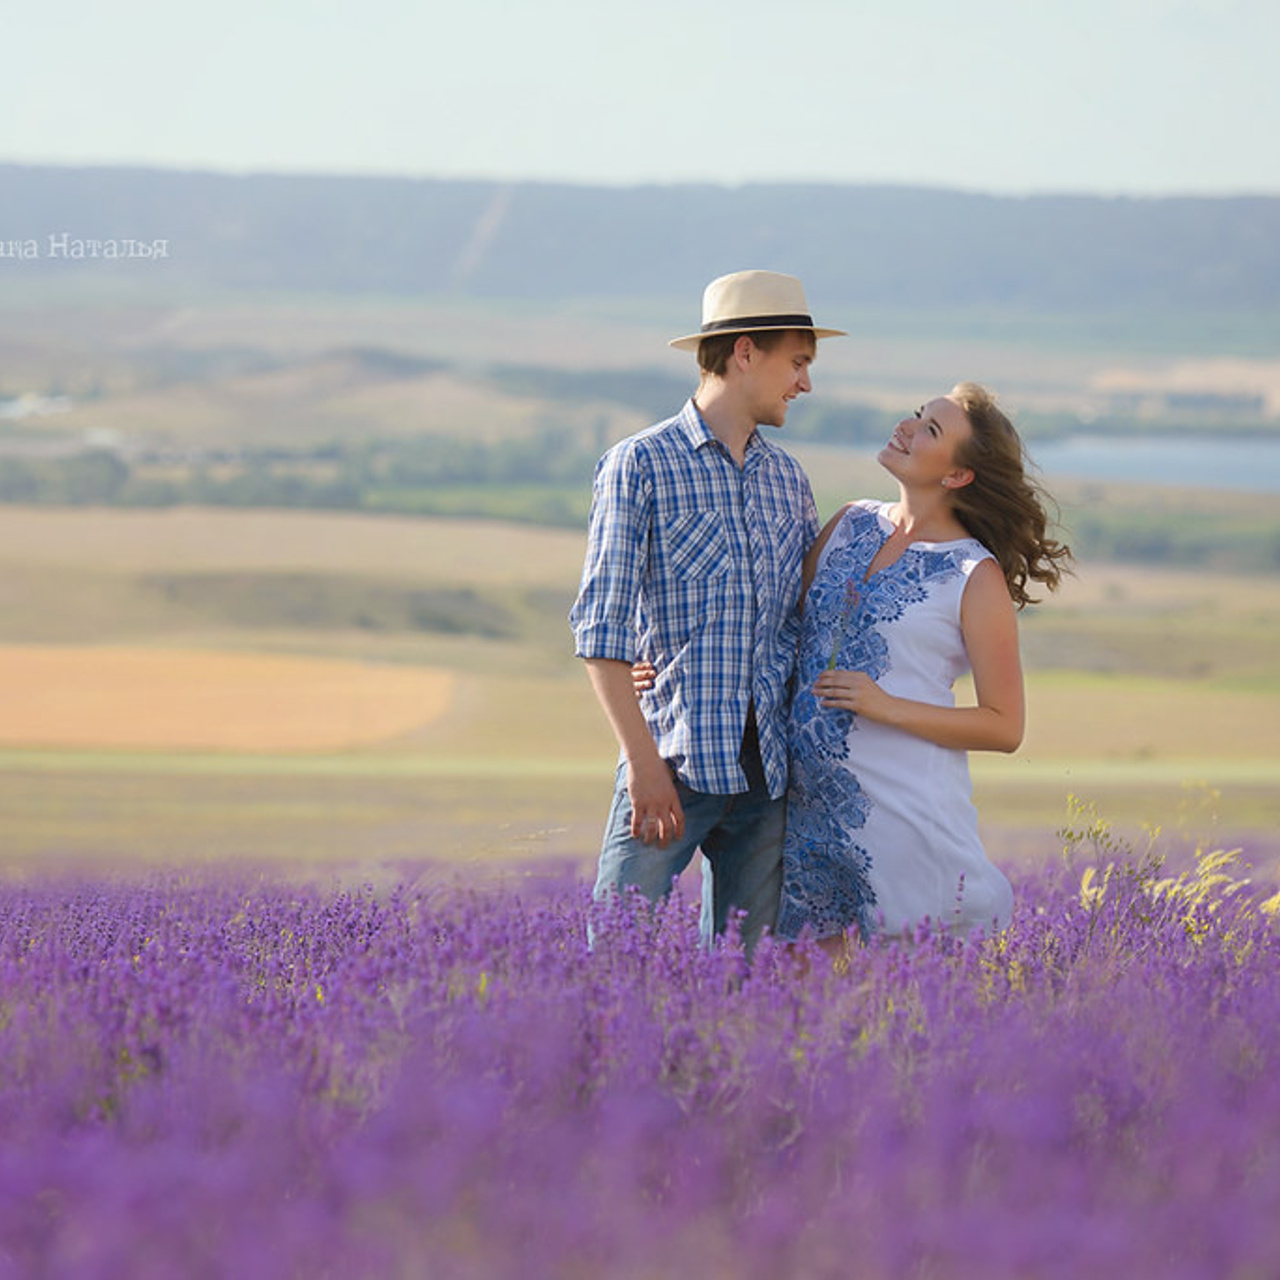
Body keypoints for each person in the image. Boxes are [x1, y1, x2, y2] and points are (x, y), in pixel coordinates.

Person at [569, 269, 845, 954]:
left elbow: (795, 625)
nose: (805, 384)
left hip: (767, 781)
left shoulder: (789, 479)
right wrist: (642, 763)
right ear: (746, 351)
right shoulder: (640, 464)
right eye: (798, 363)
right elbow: (599, 625)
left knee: (747, 983)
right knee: (615, 958)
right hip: (672, 763)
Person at [774, 382, 1072, 953]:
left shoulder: (971, 576)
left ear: (957, 475)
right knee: (797, 1007)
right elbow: (781, 634)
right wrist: (661, 664)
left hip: (903, 818)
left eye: (930, 429)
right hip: (804, 816)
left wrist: (885, 705)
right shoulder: (848, 523)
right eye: (916, 415)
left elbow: (1004, 726)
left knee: (909, 1004)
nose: (906, 427)